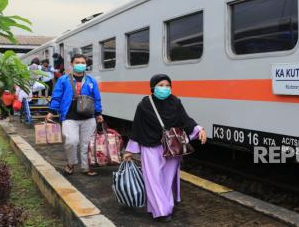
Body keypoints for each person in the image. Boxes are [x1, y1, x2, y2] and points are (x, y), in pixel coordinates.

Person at [123, 74, 207, 222]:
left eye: (168, 85)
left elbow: (185, 120)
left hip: (172, 146)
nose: (165, 88)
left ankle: (161, 206)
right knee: (153, 179)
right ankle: (161, 211)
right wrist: (130, 150)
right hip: (150, 146)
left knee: (167, 180)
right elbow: (137, 127)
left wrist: (199, 129)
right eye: (161, 85)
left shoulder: (175, 102)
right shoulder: (144, 105)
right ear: (153, 87)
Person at [46, 54, 103, 176]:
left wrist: (98, 113)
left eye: (83, 62)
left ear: (86, 65)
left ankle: (86, 167)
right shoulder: (63, 80)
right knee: (71, 141)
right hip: (69, 117)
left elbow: (97, 98)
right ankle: (71, 163)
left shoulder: (91, 80)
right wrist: (52, 111)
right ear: (72, 64)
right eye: (77, 62)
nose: (80, 64)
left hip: (88, 117)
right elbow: (56, 96)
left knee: (86, 144)